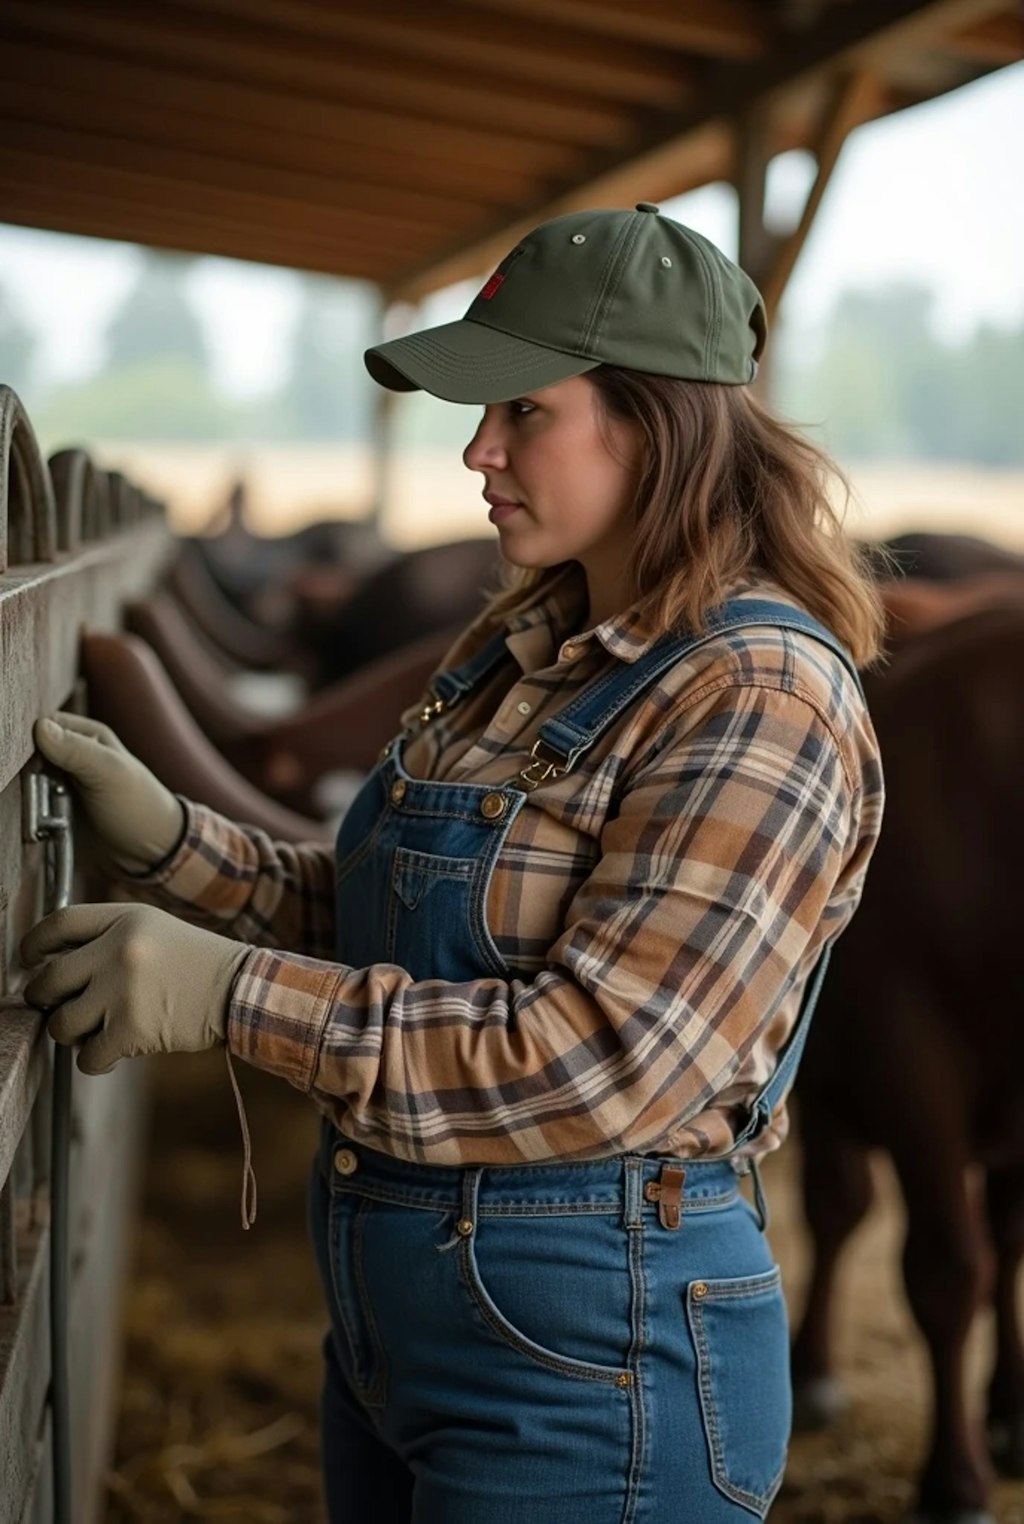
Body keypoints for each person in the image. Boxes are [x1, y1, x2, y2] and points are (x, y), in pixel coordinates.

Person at [22, 204, 885, 1523]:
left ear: (655, 420)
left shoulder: (755, 693)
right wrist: (175, 845)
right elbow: (411, 921)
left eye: (521, 412)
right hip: (407, 1328)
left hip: (599, 1366)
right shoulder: (526, 642)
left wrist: (227, 998)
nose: (478, 453)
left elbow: (603, 1063)